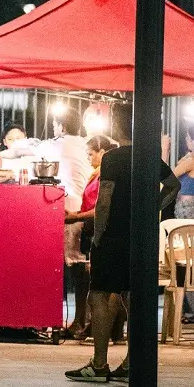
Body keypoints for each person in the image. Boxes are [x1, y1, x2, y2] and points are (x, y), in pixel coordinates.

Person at [66, 118, 180, 383]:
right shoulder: (149, 156)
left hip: (114, 234)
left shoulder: (113, 158)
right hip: (140, 235)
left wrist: (99, 234)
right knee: (133, 296)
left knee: (101, 295)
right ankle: (132, 362)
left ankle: (99, 364)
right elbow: (174, 185)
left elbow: (104, 200)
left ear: (117, 128)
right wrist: (153, 208)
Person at [63, 134, 117, 339]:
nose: (88, 158)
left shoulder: (106, 175)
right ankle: (82, 322)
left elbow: (101, 208)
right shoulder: (96, 174)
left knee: (95, 284)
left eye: (90, 154)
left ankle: (92, 325)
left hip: (99, 231)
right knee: (83, 279)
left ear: (103, 152)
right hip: (90, 230)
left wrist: (76, 216)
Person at [42, 107, 91, 214]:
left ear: (62, 127)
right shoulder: (86, 144)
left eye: (54, 126)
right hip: (88, 206)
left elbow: (25, 150)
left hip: (69, 206)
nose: (53, 129)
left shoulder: (54, 144)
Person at [173, 124, 194, 220]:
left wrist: (165, 152)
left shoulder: (191, 161)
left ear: (193, 141)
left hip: (187, 208)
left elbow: (170, 177)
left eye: (188, 137)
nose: (186, 139)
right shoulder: (191, 159)